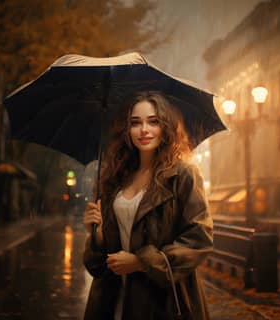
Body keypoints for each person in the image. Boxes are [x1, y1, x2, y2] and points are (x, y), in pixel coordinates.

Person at [83, 91, 213, 320]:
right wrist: (98, 236)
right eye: (135, 123)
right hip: (112, 301)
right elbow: (98, 265)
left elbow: (198, 239)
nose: (144, 130)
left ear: (166, 127)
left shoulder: (183, 175)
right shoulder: (114, 178)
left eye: (153, 121)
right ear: (126, 130)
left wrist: (142, 262)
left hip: (163, 303)